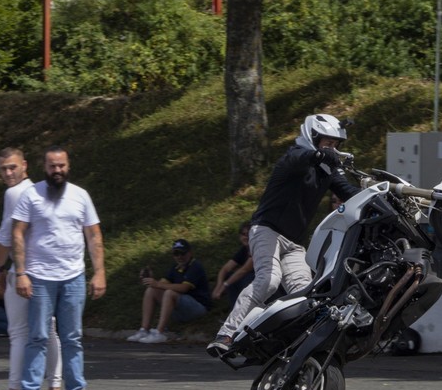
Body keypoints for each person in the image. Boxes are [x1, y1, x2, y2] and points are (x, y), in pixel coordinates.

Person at [211, 114, 363, 355]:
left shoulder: (327, 169)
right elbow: (300, 158)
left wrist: (377, 194)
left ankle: (294, 343)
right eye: (327, 142)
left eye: (336, 144)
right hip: (267, 230)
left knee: (305, 291)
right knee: (269, 280)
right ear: (312, 137)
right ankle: (226, 334)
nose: (332, 148)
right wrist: (318, 154)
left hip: (294, 243)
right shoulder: (295, 155)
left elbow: (347, 191)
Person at [10, 146, 106, 390]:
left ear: (68, 165)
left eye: (61, 165)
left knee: (72, 337)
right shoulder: (32, 195)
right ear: (44, 166)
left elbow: (94, 235)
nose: (57, 171)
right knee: (38, 335)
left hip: (73, 275)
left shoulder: (80, 196)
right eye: (52, 166)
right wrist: (21, 273)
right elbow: (17, 233)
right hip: (39, 276)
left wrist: (99, 272)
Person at [0, 148, 61, 390]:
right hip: (47, 270)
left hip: (23, 271)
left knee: (18, 332)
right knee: (49, 330)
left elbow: (5, 236)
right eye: (3, 169)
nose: (7, 174)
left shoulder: (14, 194)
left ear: (25, 165)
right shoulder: (42, 190)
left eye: (12, 167)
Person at [129, 239, 212, 343]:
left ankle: (160, 332)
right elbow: (160, 285)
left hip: (198, 307)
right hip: (181, 308)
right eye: (176, 254)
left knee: (169, 292)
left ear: (190, 253)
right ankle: (144, 330)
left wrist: (158, 284)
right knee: (151, 290)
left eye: (182, 253)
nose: (179, 257)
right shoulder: (175, 268)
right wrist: (148, 280)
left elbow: (184, 288)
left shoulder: (195, 266)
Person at [211, 223, 254, 308]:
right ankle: (235, 311)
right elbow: (225, 269)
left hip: (260, 278)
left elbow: (245, 269)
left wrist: (224, 285)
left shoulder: (256, 247)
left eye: (249, 234)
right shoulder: (243, 250)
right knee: (230, 277)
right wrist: (218, 285)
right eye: (243, 234)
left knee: (242, 279)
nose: (246, 237)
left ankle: (246, 310)